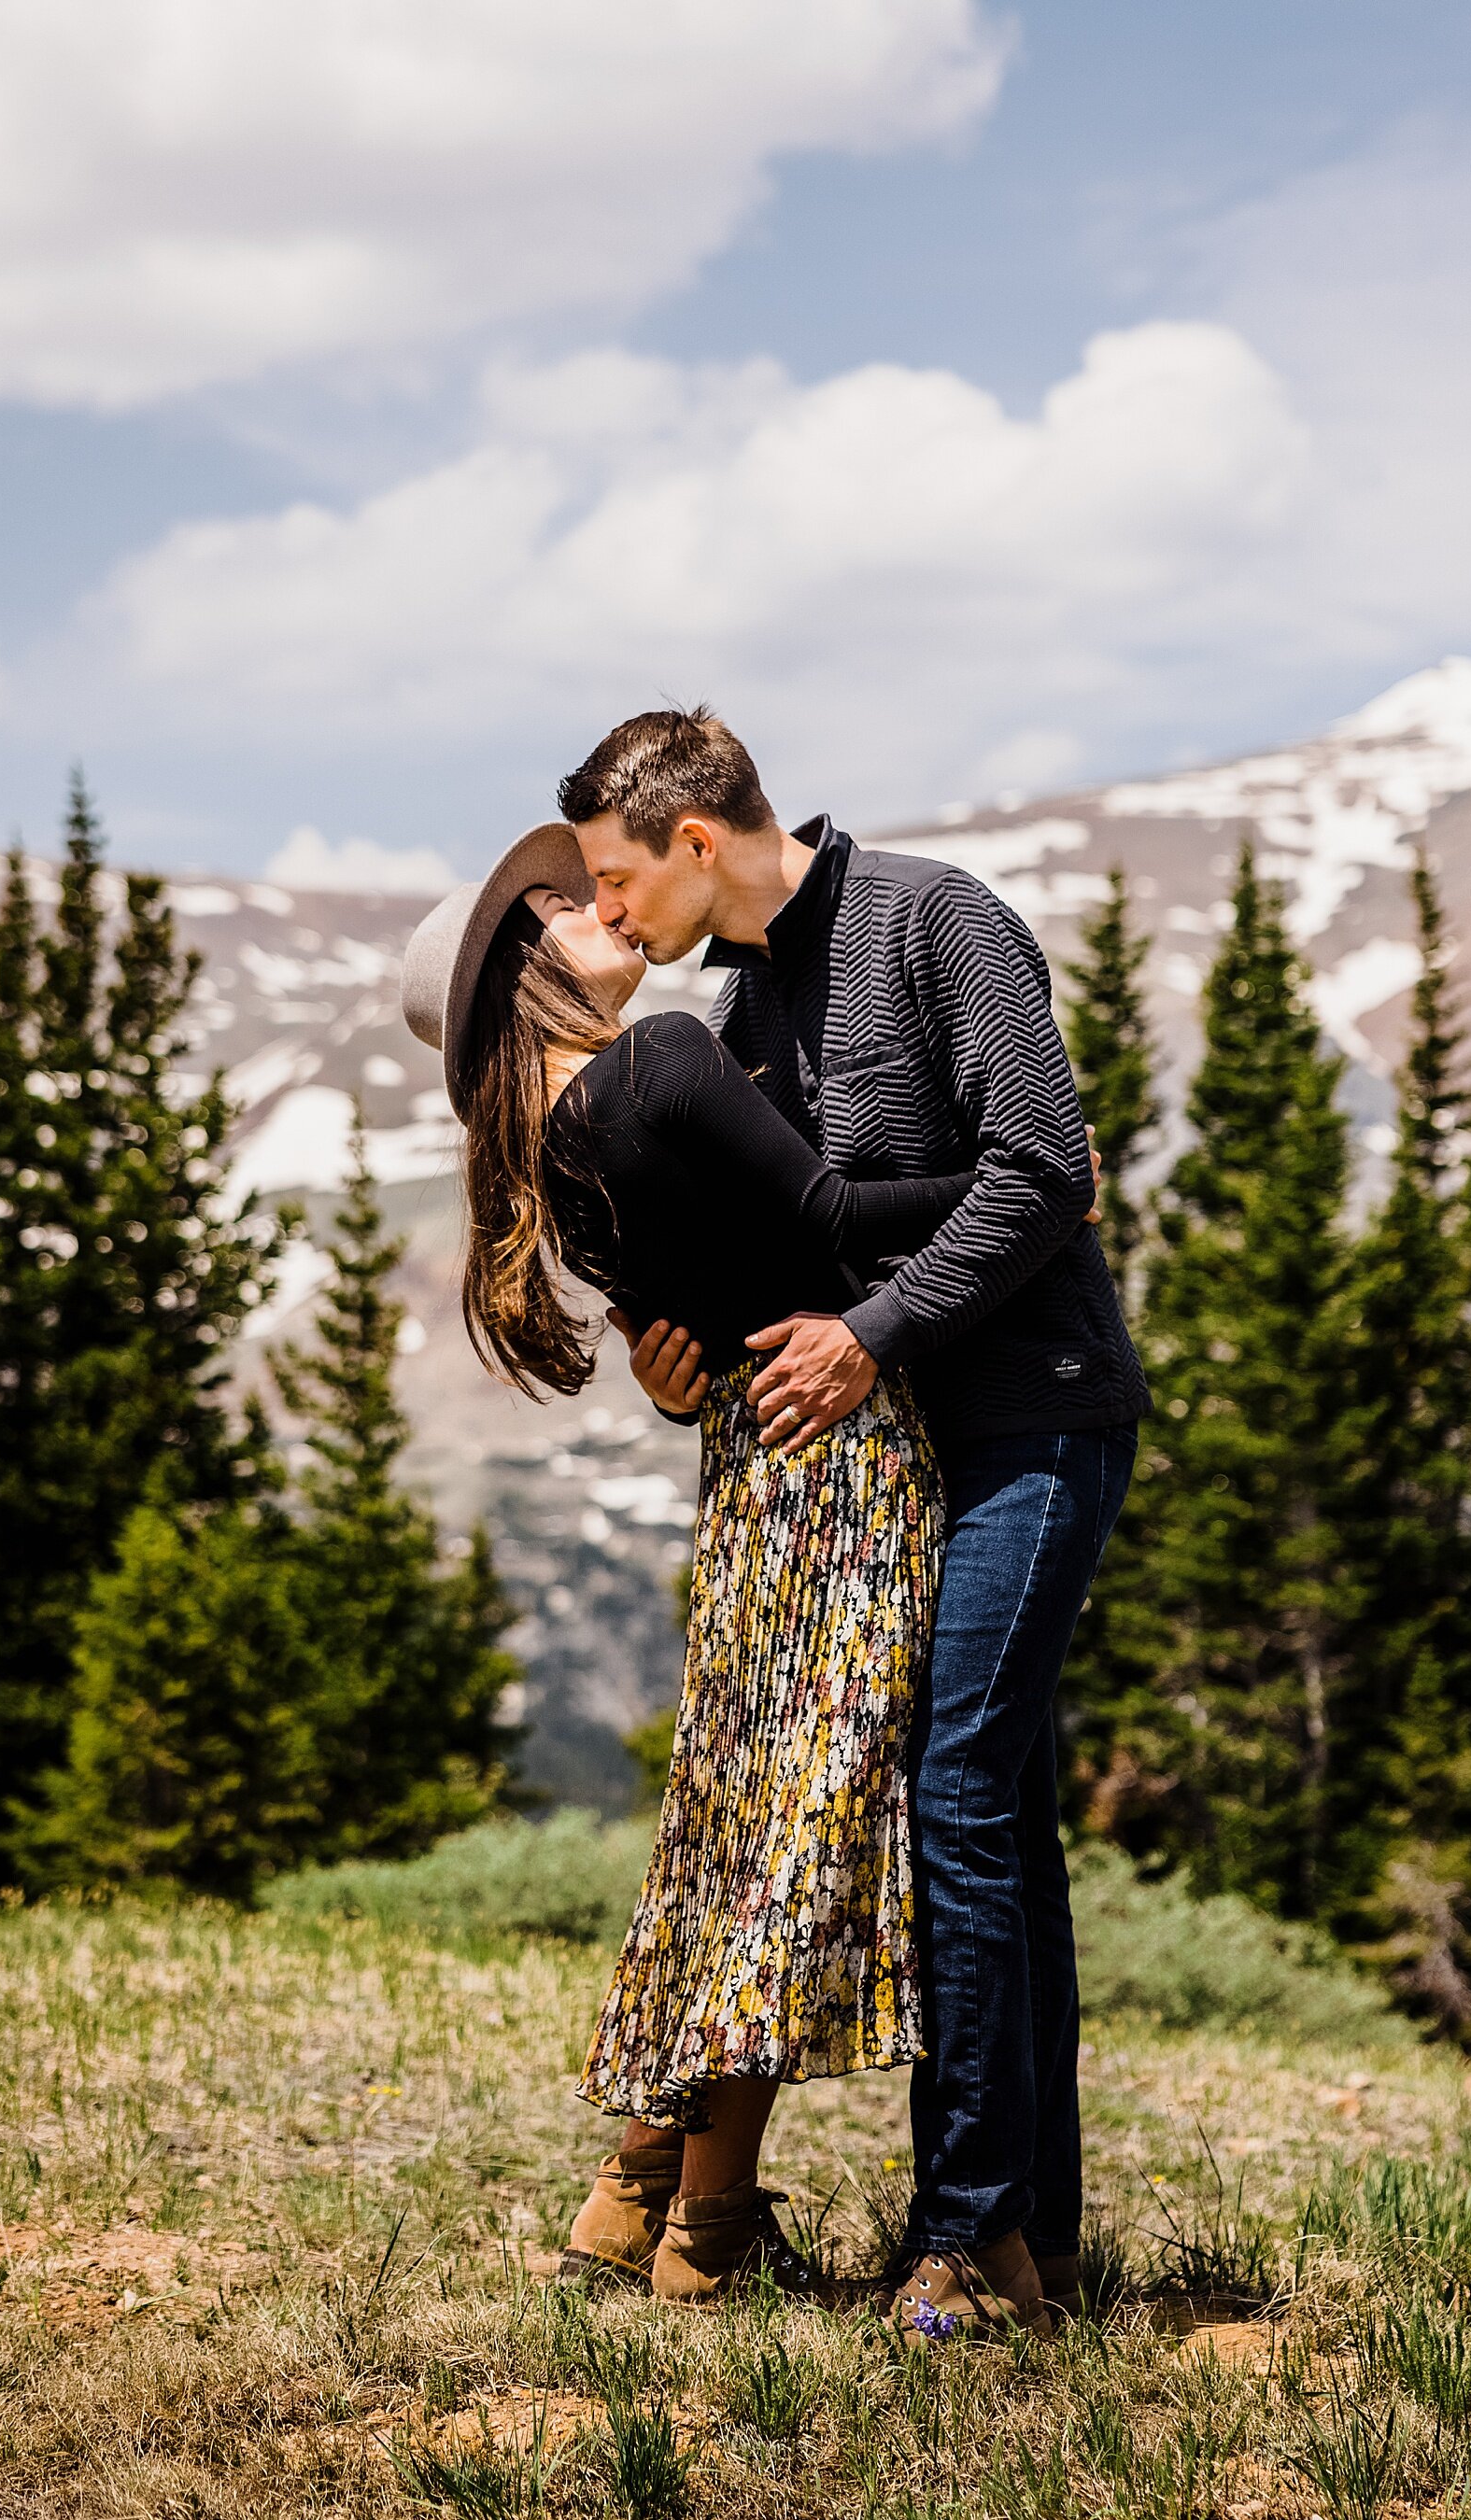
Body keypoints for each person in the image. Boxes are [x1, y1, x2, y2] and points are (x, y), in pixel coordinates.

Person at [557, 708, 1152, 2344]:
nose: (611, 918)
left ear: (695, 840)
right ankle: (1036, 2227)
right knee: (1000, 1829)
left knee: (954, 1789)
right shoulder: (742, 1006)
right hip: (892, 1460)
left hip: (1034, 1418)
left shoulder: (938, 920)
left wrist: (875, 1335)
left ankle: (963, 2237)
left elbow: (1044, 1172)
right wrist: (673, 1355)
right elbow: (792, 1252)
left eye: (618, 882)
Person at [399, 822, 979, 2309]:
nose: (604, 908)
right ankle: (708, 2231)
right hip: (843, 1461)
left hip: (746, 1483)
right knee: (796, 1836)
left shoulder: (549, 1165)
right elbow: (832, 1221)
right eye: (564, 908)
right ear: (531, 974)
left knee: (734, 1828)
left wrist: (687, 1378)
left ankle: (637, 2191)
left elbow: (698, 1324)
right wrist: (1029, 1185)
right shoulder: (654, 1064)